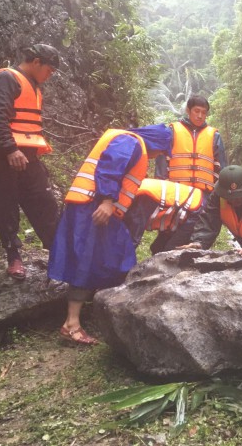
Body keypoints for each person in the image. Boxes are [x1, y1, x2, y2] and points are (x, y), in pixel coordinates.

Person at [48, 128, 173, 345]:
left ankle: (103, 313)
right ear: (157, 144)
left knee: (115, 257)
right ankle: (72, 324)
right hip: (94, 208)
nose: (157, 156)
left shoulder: (132, 143)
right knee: (87, 262)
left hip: (95, 208)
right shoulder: (130, 142)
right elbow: (109, 168)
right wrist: (106, 200)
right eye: (161, 151)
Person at [0, 43, 61, 280]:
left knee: (44, 202)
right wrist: (10, 149)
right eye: (50, 69)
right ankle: (13, 256)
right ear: (36, 62)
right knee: (6, 205)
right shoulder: (7, 78)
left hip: (28, 156)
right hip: (3, 156)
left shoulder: (34, 86)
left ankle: (56, 250)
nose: (51, 74)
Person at [147, 95, 228, 253]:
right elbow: (162, 164)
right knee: (169, 227)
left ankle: (174, 254)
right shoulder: (173, 131)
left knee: (193, 229)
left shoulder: (214, 136)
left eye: (203, 112)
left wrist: (219, 196)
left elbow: (222, 168)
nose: (200, 115)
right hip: (176, 191)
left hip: (202, 194)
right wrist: (161, 191)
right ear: (188, 110)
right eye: (196, 111)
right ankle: (161, 252)